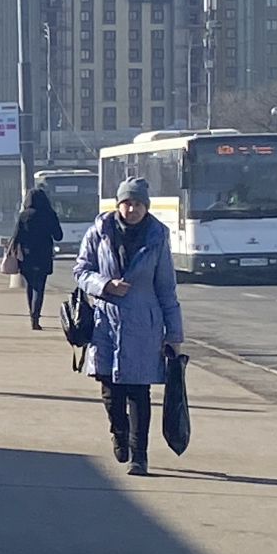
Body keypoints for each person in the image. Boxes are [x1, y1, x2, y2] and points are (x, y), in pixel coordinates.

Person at [73, 177, 185, 477]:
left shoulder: (157, 238)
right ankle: (118, 432)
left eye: (138, 204)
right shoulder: (99, 232)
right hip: (105, 323)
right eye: (127, 203)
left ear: (146, 207)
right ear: (118, 204)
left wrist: (174, 335)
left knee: (138, 392)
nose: (132, 209)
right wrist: (105, 284)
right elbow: (81, 271)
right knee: (110, 391)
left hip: (143, 325)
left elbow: (166, 288)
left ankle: (140, 455)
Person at [11, 187, 67, 331]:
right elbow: (58, 236)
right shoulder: (49, 214)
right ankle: (36, 317)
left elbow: (17, 236)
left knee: (30, 286)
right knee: (39, 287)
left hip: (27, 255)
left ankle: (32, 315)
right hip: (43, 255)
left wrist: (14, 251)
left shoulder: (24, 216)